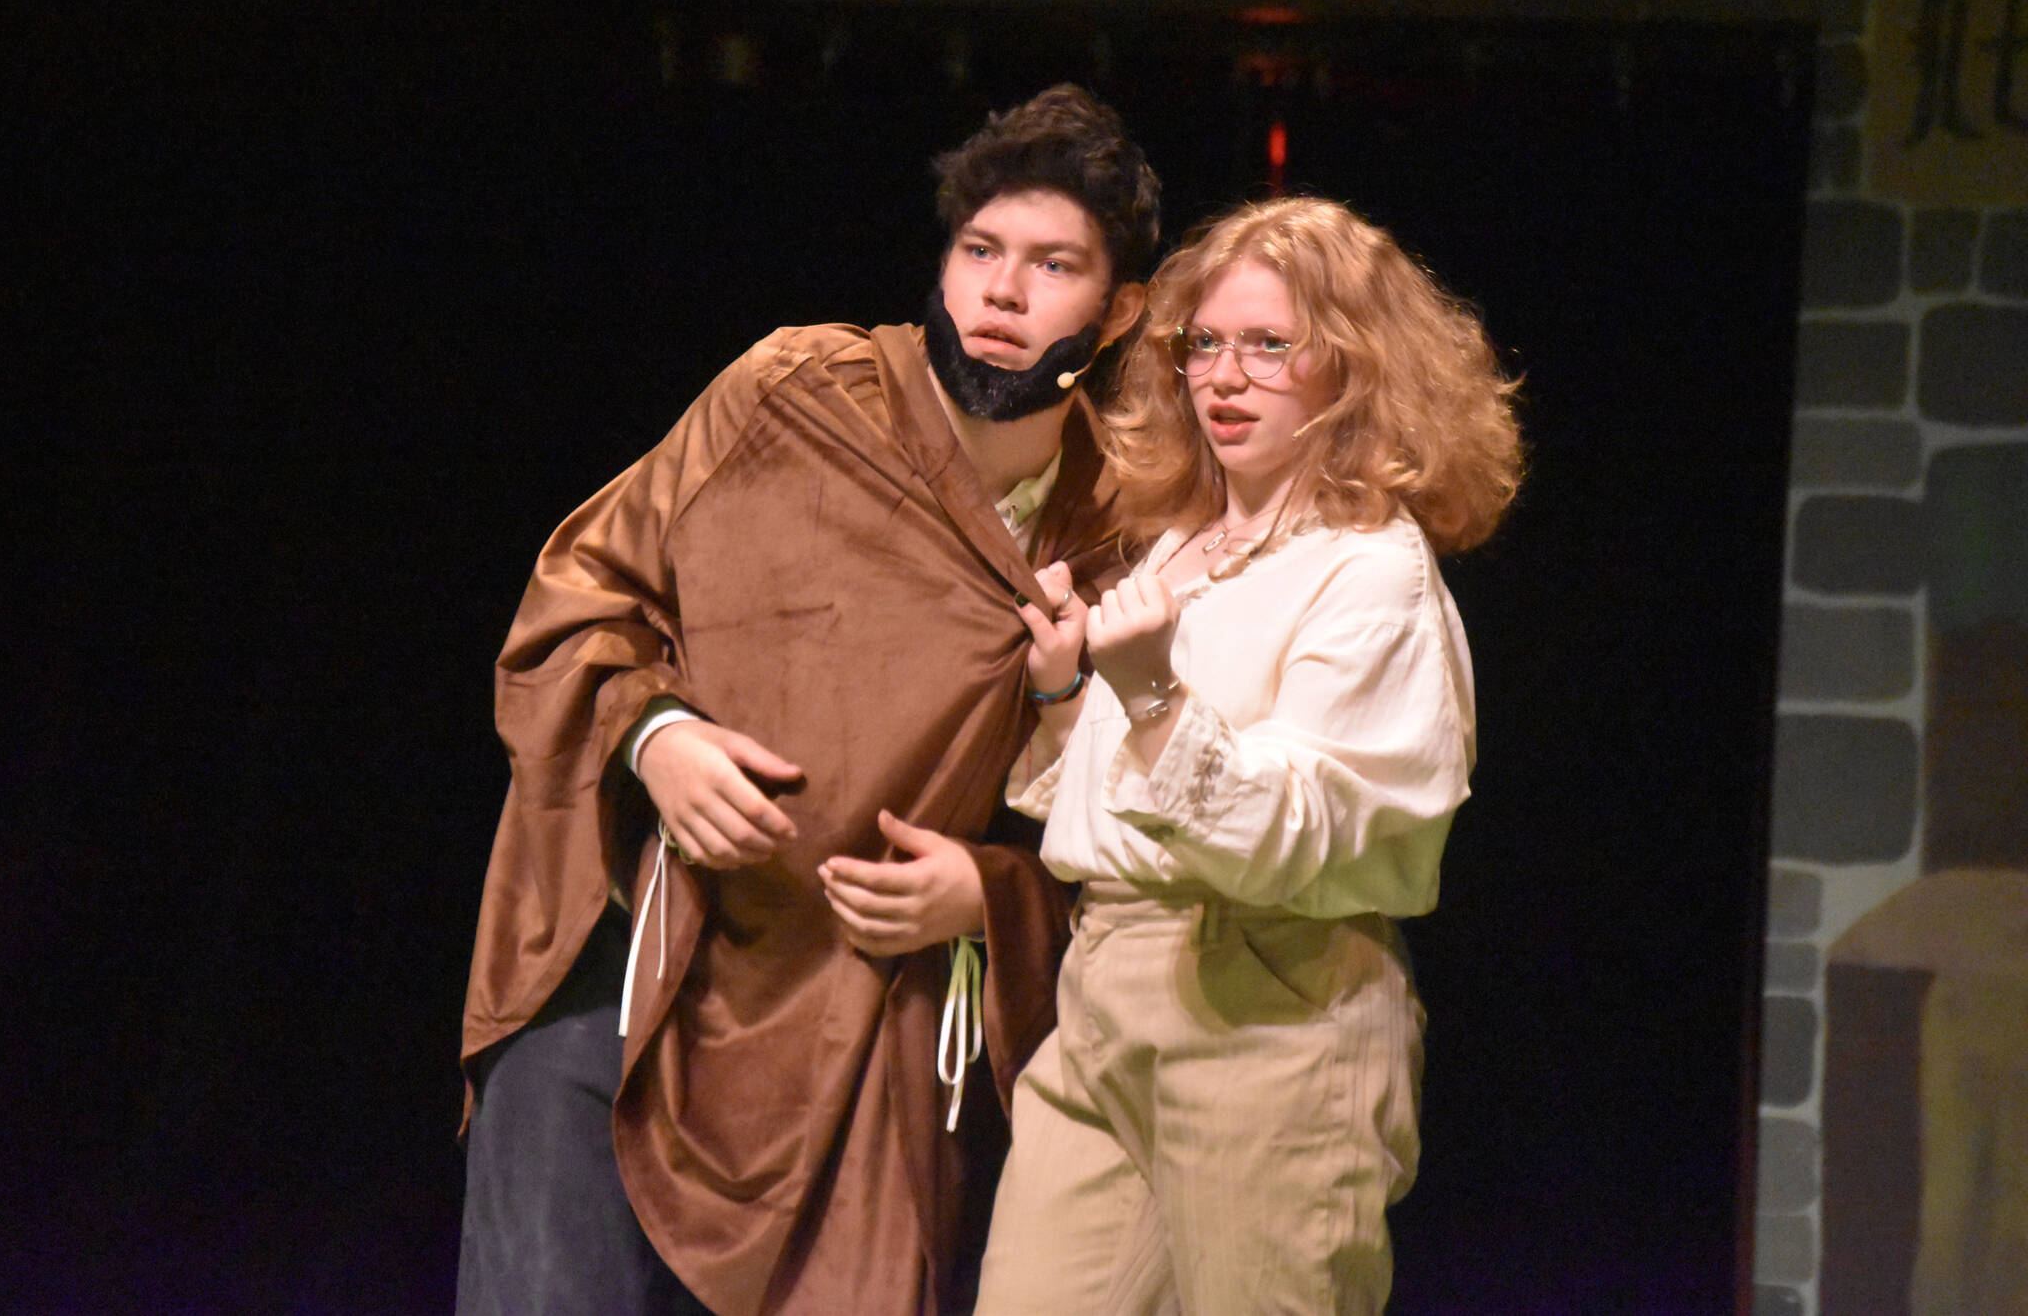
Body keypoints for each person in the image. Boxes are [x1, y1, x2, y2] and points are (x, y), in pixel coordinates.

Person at [455, 85, 1162, 1316]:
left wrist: (987, 897)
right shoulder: (797, 396)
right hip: (641, 987)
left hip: (865, 1044)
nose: (1001, 293)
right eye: (979, 252)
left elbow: (1149, 824)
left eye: (1052, 266)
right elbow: (573, 604)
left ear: (1122, 308)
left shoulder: (1121, 523)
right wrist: (654, 737)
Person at [976, 195, 1523, 1314]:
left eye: (1270, 345)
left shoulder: (1367, 569)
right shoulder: (1181, 543)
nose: (1223, 377)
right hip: (1106, 993)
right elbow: (1118, 794)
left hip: (1268, 1004)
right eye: (1204, 345)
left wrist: (1152, 692)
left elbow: (1303, 832)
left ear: (1353, 368)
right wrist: (1065, 687)